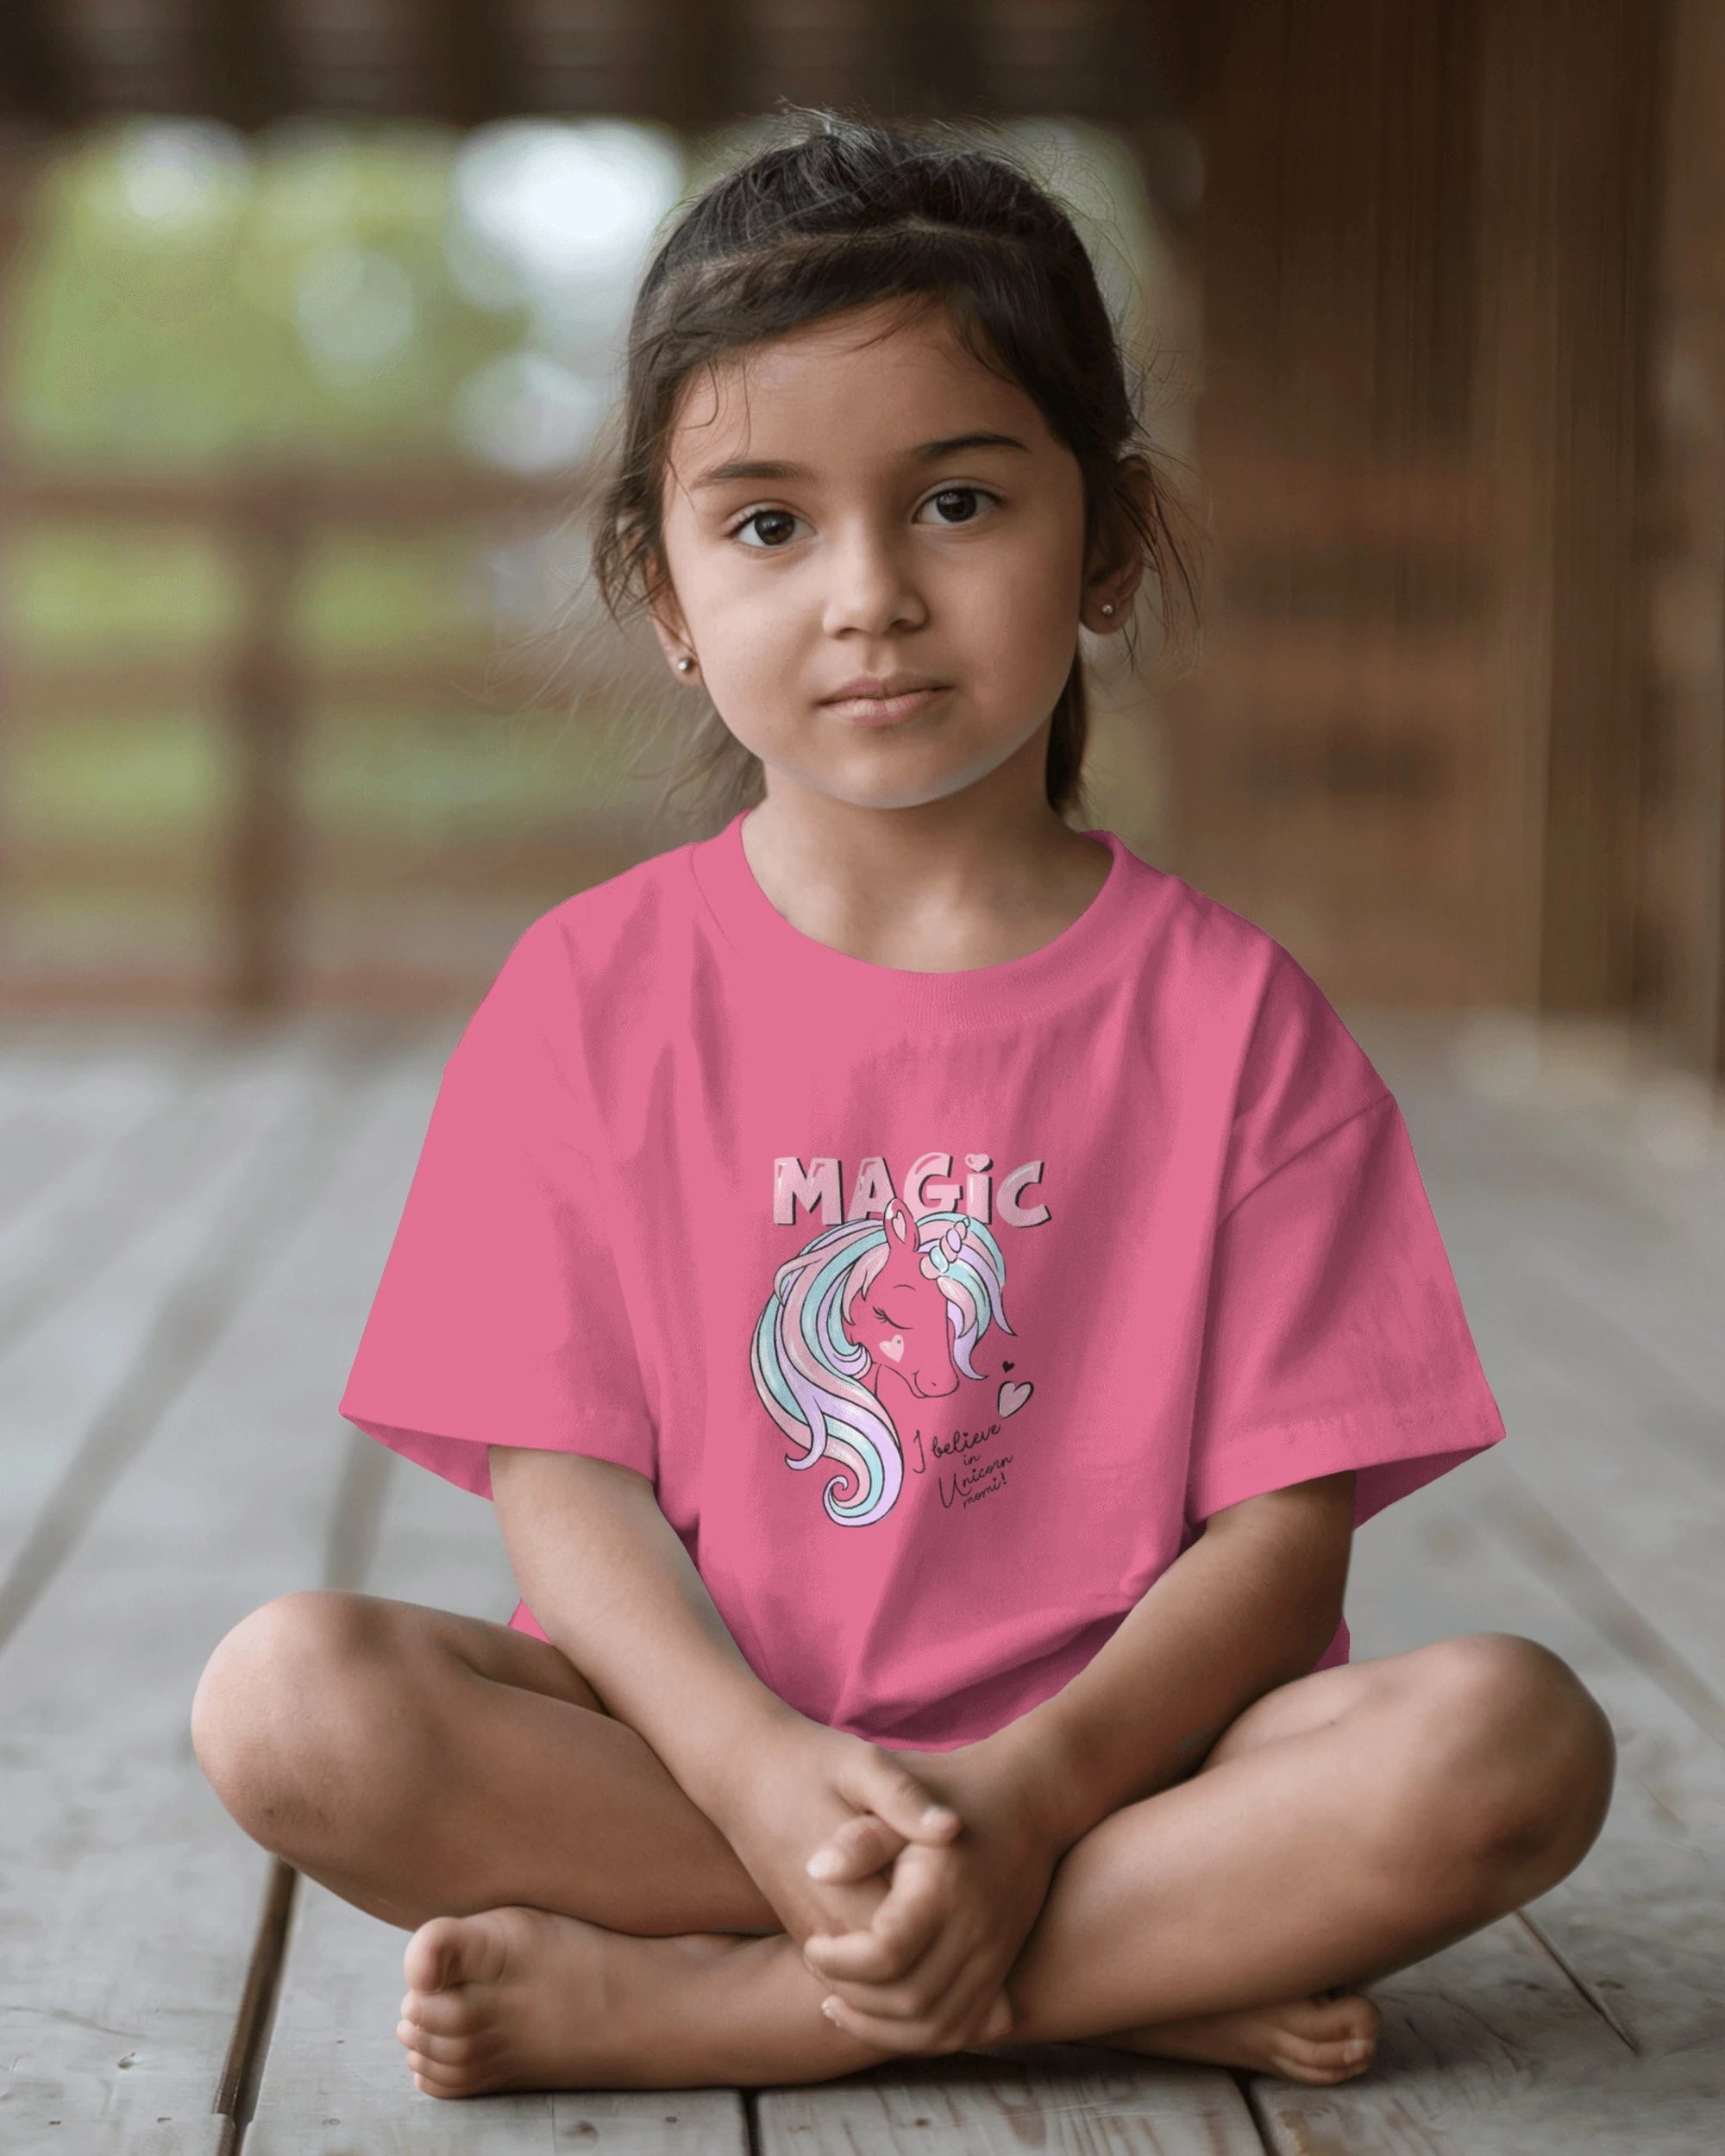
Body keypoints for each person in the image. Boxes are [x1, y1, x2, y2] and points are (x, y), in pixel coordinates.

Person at [188, 109, 1615, 2103]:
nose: (868, 592)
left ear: (1105, 539)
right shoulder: (589, 993)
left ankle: (715, 2004)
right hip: (689, 1757)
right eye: (768, 522)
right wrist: (762, 1772)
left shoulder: (1232, 1018)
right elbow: (561, 1480)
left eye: (956, 502)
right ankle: (1118, 1969)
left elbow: (1284, 1532)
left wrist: (1030, 1798)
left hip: (1124, 1770)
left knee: (1511, 1739)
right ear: (665, 587)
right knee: (289, 1702)